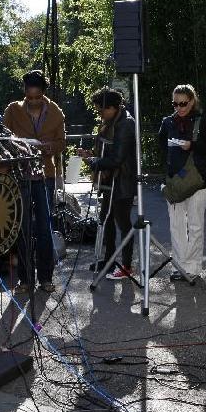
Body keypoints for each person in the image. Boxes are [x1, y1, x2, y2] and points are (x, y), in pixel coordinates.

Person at [3, 70, 66, 293]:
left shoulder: (56, 112)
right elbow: (3, 138)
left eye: (37, 97)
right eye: (29, 98)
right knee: (22, 227)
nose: (33, 101)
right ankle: (25, 279)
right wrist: (19, 146)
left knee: (44, 228)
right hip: (20, 174)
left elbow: (61, 143)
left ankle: (46, 278)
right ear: (24, 94)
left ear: (44, 94)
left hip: (45, 175)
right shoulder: (12, 110)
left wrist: (48, 147)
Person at [158, 84, 206, 281]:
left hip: (197, 182)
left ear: (192, 101)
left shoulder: (202, 122)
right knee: (176, 226)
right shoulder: (167, 122)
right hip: (175, 181)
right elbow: (161, 148)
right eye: (175, 103)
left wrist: (192, 145)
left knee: (195, 226)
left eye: (183, 103)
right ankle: (179, 266)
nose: (179, 107)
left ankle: (193, 268)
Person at [78, 87, 137, 280]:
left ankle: (127, 266)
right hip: (111, 180)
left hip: (123, 181)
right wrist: (92, 156)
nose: (99, 114)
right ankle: (109, 260)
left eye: (101, 110)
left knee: (123, 223)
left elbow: (117, 158)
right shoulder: (113, 121)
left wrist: (94, 162)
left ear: (113, 107)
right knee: (106, 220)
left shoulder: (125, 124)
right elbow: (107, 153)